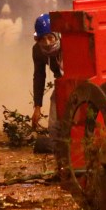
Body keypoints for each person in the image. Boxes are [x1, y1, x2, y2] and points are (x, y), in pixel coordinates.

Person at [32, 14, 62, 146]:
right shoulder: (38, 50)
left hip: (79, 80)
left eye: (50, 37)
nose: (47, 43)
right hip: (61, 83)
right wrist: (37, 106)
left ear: (57, 35)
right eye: (42, 39)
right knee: (54, 125)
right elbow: (39, 76)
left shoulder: (69, 42)